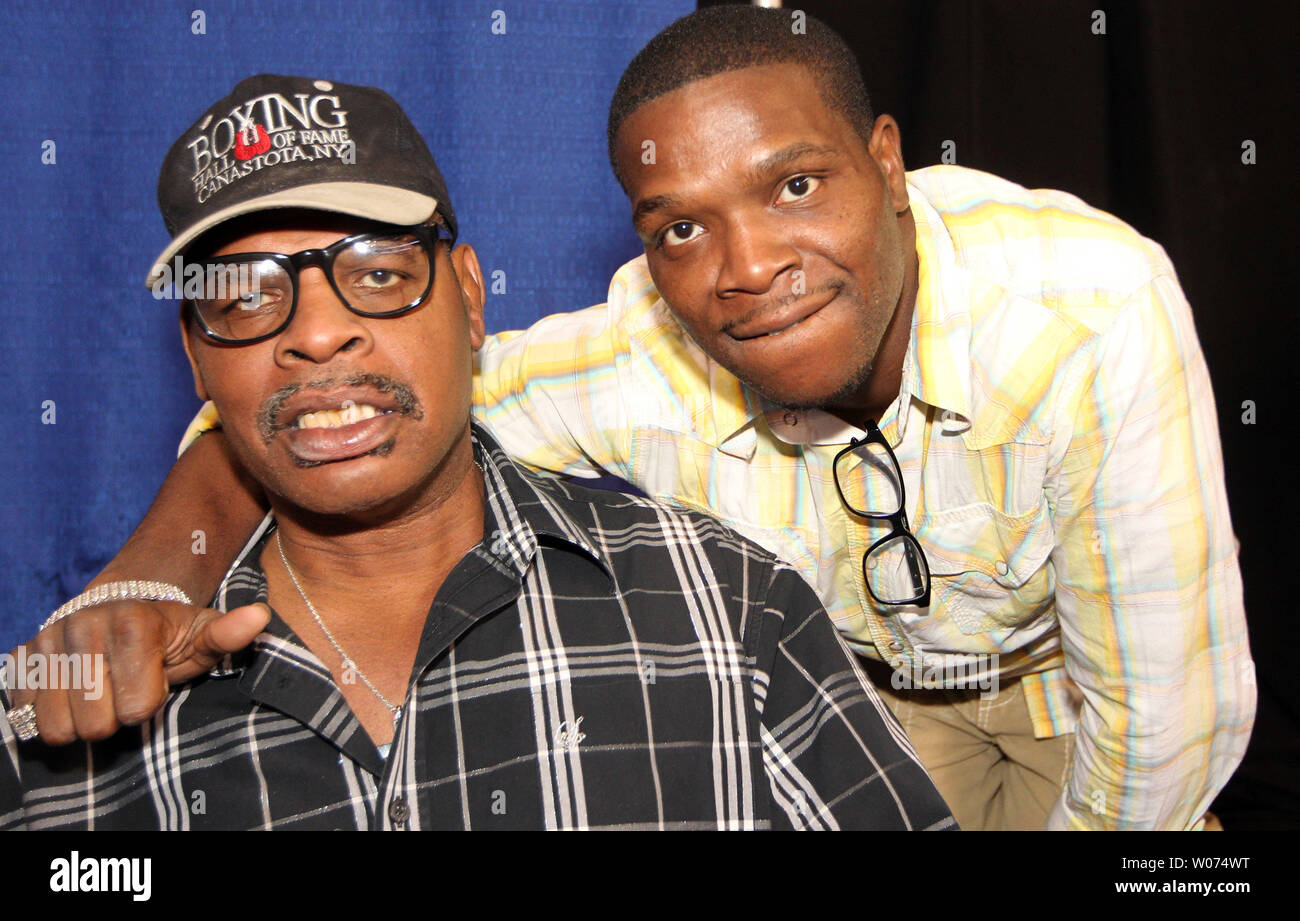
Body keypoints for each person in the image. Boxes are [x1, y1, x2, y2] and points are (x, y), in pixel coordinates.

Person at [9, 7, 1252, 830]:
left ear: (887, 160)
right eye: (680, 227)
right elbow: (327, 411)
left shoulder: (1088, 312)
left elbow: (1167, 724)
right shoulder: (634, 358)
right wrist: (147, 581)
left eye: (797, 184)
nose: (748, 264)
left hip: (1077, 702)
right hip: (869, 706)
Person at [0, 73, 955, 831]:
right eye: (245, 297)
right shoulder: (65, 723)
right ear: (196, 356)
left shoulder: (727, 607)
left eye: (378, 273)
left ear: (470, 296)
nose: (319, 334)